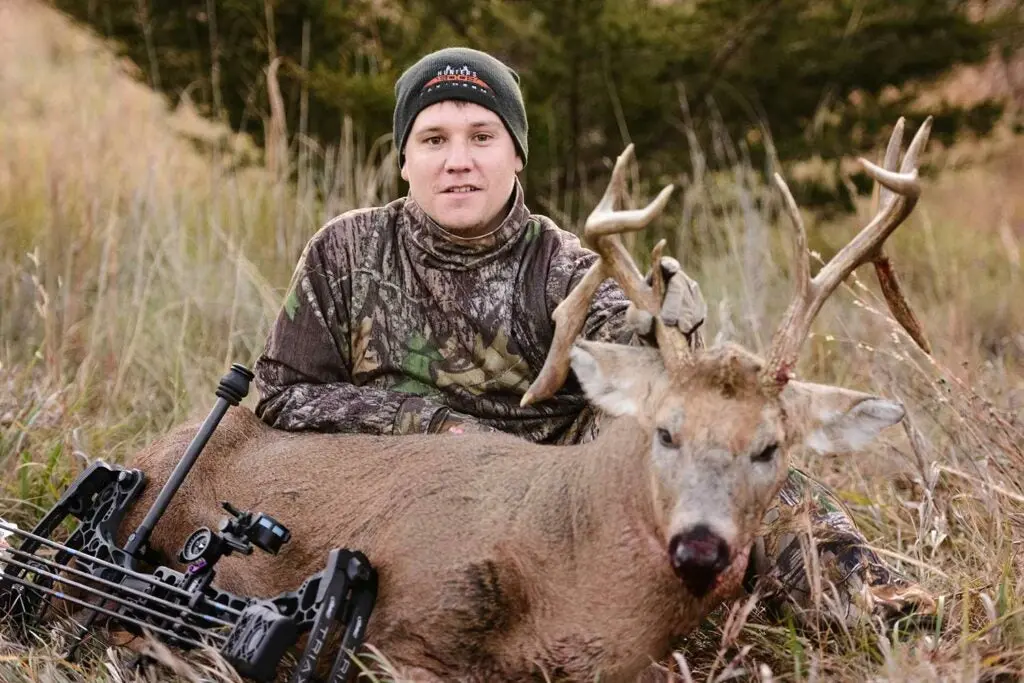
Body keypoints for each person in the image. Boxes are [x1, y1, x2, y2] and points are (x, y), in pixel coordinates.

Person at [252, 46, 936, 627]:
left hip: (541, 496)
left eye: (482, 137)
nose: (457, 160)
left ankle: (871, 597)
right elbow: (282, 394)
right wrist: (431, 423)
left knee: (733, 467)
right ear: (404, 159)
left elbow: (641, 367)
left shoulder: (569, 269)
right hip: (385, 499)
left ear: (516, 155)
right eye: (434, 140)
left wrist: (663, 332)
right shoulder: (345, 251)